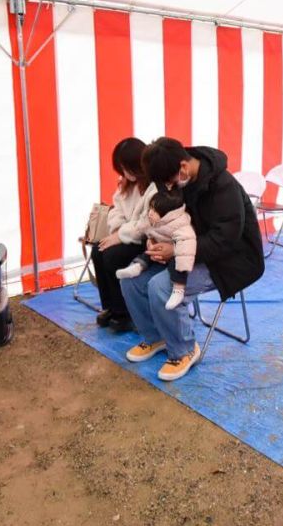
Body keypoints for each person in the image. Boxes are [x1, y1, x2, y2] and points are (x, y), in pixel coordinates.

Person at [118, 137, 264, 382]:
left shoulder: (223, 186)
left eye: (168, 182)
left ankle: (185, 350)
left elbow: (224, 240)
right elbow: (170, 221)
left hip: (230, 260)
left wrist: (174, 250)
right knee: (132, 280)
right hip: (189, 249)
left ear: (183, 168)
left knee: (161, 287)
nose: (167, 188)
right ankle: (157, 337)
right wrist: (154, 240)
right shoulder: (179, 178)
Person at [91, 138, 156, 332]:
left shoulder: (153, 187)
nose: (124, 173)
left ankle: (124, 312)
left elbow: (146, 224)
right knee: (98, 250)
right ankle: (111, 307)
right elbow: (116, 209)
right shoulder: (126, 183)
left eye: (126, 168)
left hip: (146, 240)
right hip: (126, 233)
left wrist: (121, 236)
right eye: (121, 169)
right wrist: (118, 230)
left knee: (112, 256)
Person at [116, 188, 196, 310]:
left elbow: (186, 250)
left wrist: (174, 251)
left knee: (178, 263)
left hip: (176, 255)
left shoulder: (181, 226)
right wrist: (149, 241)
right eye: (151, 208)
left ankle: (178, 290)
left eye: (155, 210)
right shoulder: (155, 220)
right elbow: (144, 228)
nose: (150, 213)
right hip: (159, 250)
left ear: (167, 213)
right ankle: (138, 267)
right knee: (146, 253)